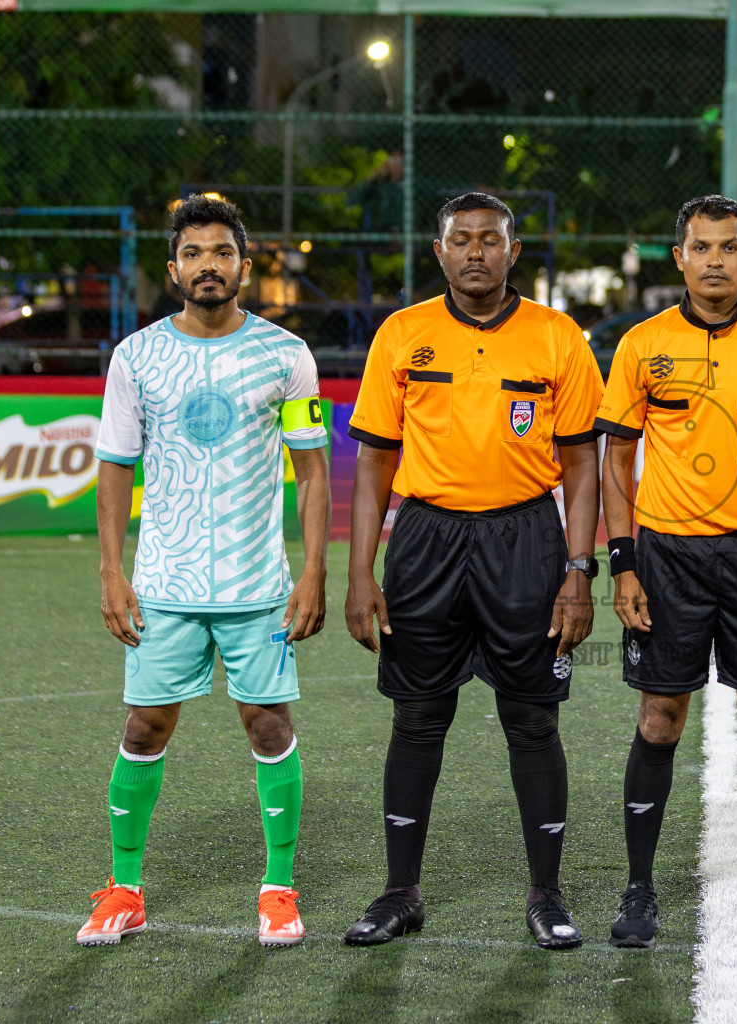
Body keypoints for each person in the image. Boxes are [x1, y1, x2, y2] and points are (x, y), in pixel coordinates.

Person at [341, 192, 603, 950]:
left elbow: (582, 467)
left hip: (526, 538)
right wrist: (362, 574)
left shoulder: (558, 338)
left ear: (513, 251)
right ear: (440, 252)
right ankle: (399, 892)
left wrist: (578, 570)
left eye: (491, 239)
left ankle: (547, 892)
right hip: (425, 540)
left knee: (531, 717)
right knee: (418, 716)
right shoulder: (403, 333)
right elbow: (375, 463)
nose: (477, 252)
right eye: (462, 240)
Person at [81, 194, 330, 947]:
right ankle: (125, 889)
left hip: (257, 586)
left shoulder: (286, 355)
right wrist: (110, 572)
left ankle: (278, 890)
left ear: (245, 267)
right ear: (173, 268)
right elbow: (116, 468)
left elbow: (313, 473)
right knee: (145, 724)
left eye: (222, 252)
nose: (208, 265)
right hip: (166, 583)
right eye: (193, 254)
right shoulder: (137, 357)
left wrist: (314, 570)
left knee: (268, 723)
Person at [595, 195, 737, 949]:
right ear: (680, 258)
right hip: (666, 557)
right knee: (659, 718)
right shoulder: (641, 344)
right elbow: (617, 458)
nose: (716, 261)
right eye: (702, 248)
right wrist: (622, 563)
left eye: (729, 248)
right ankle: (637, 891)